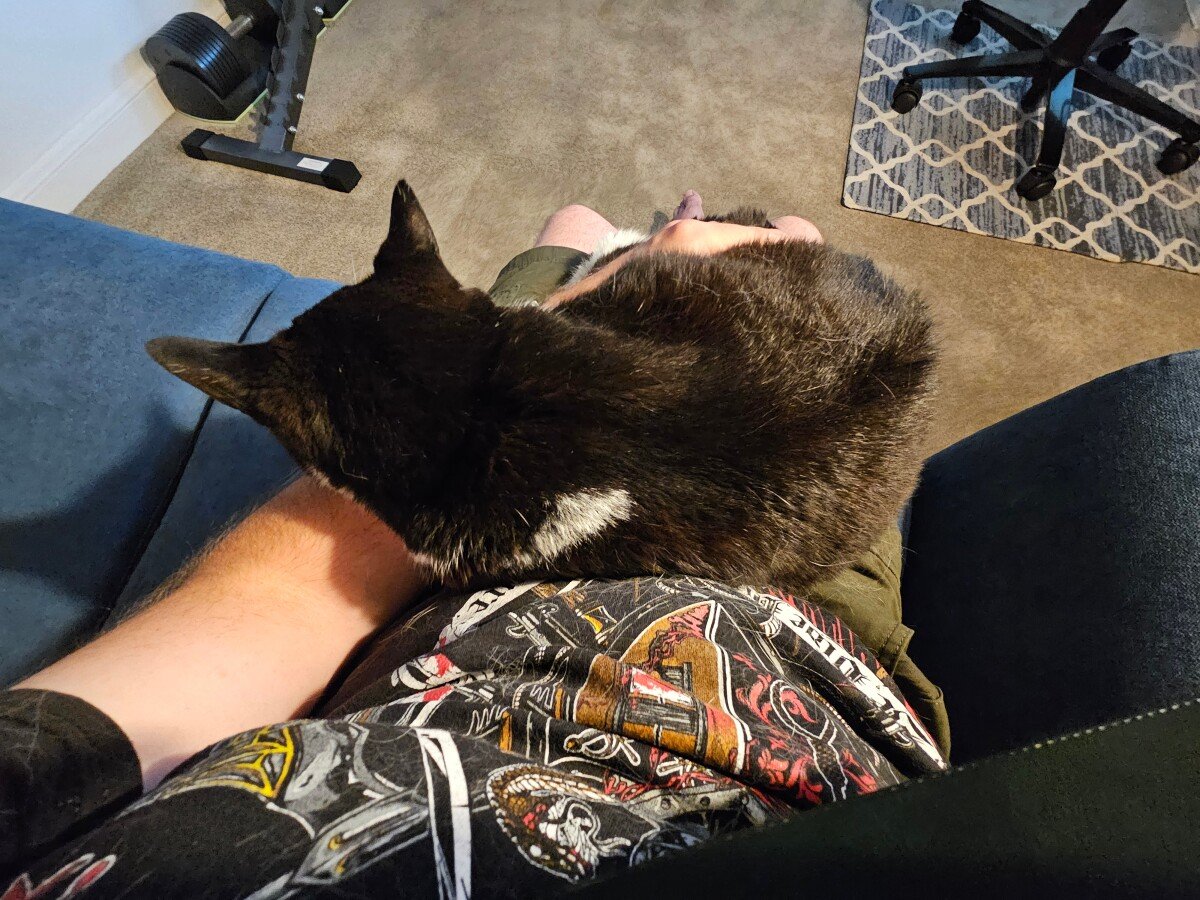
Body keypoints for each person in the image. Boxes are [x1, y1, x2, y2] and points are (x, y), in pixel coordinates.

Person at [0, 194, 946, 899]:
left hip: (750, 527)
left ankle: (619, 246)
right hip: (798, 623)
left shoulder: (33, 793)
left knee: (580, 231)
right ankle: (633, 246)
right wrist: (602, 294)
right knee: (671, 236)